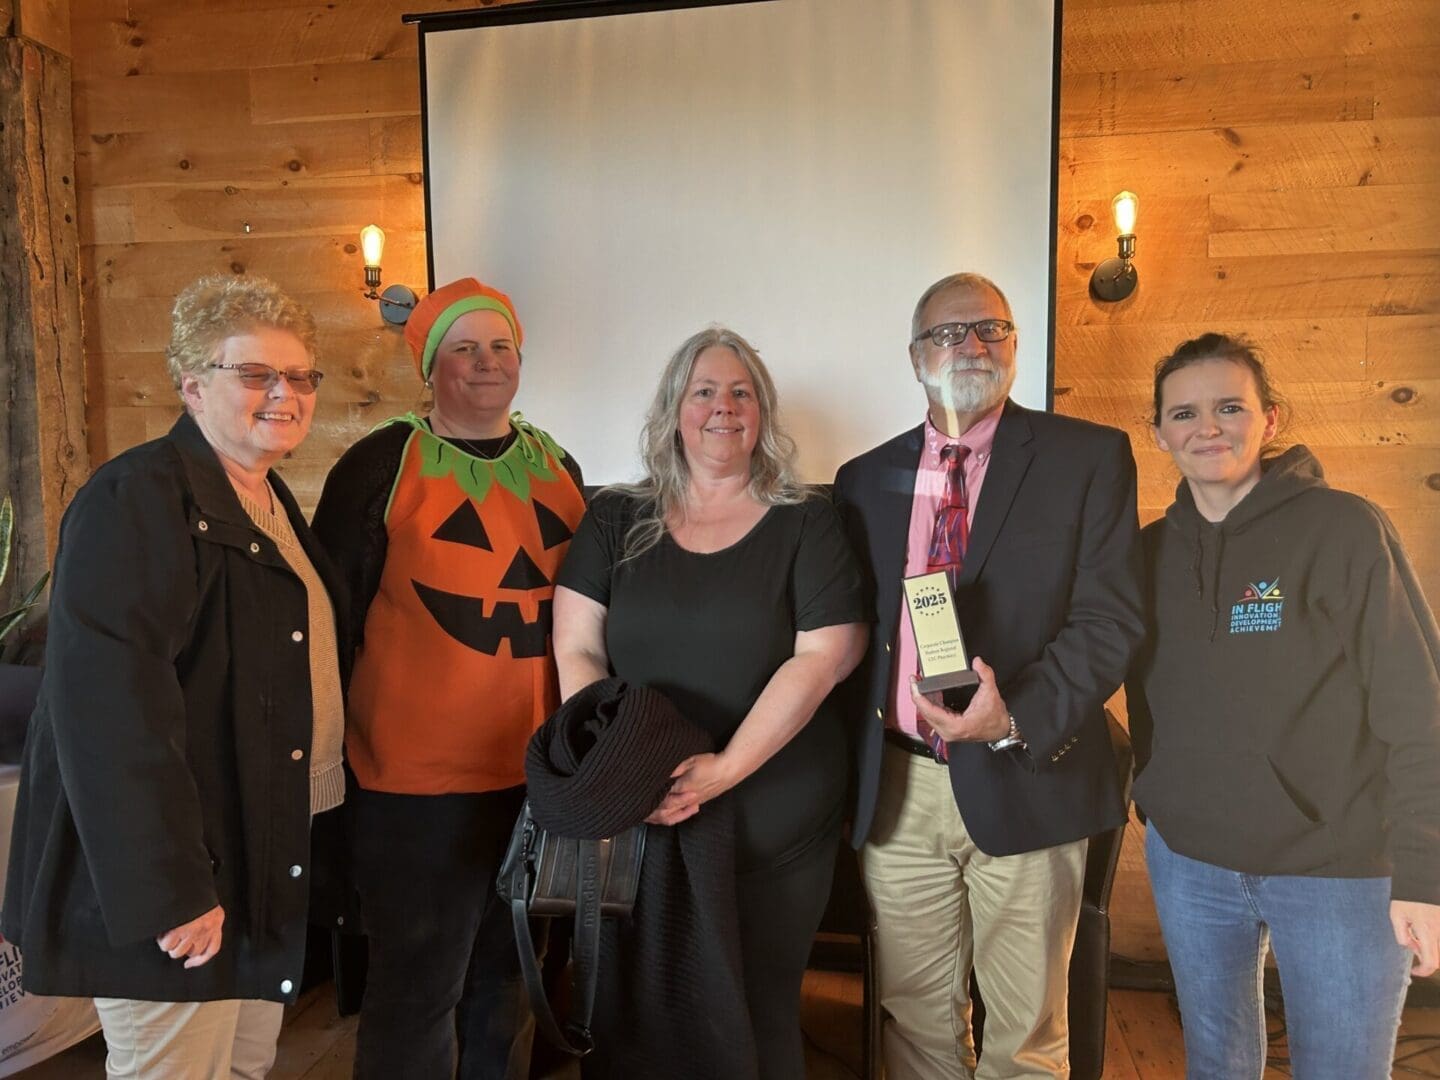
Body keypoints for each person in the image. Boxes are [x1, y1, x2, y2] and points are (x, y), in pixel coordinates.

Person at [2, 274, 344, 1079]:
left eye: (299, 376)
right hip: (189, 878)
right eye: (255, 374)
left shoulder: (268, 498)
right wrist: (171, 890)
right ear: (192, 385)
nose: (283, 394)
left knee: (240, 1067)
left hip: (257, 854)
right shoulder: (136, 499)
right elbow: (109, 716)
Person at [832, 272, 1144, 1079]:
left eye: (991, 330)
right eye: (948, 333)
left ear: (1014, 345)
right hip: (899, 792)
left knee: (1027, 1038)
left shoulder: (1087, 457)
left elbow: (1110, 621)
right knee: (915, 1026)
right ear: (915, 357)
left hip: (1028, 772)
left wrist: (1012, 720)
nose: (971, 346)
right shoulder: (862, 481)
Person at [553, 326, 868, 1079]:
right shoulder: (613, 518)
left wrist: (724, 769)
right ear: (674, 408)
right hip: (641, 811)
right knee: (633, 1014)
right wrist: (617, 772)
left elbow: (826, 655)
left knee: (757, 1012)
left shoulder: (807, 520)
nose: (723, 408)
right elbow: (576, 646)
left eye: (741, 392)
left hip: (773, 816)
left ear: (761, 412)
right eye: (704, 391)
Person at [1126, 332, 1440, 1080]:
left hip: (1336, 872)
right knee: (1217, 1066)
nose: (1208, 427)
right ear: (1159, 431)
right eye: (1185, 413)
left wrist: (1426, 877)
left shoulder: (1345, 530)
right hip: (1190, 863)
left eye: (1230, 406)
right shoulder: (1145, 554)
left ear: (1269, 418)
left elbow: (1418, 709)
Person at [311, 277, 585, 1080]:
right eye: (463, 349)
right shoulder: (380, 464)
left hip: (532, 779)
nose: (486, 363)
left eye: (500, 346)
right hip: (413, 785)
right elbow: (333, 616)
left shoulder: (555, 464)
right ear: (431, 367)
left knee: (508, 977)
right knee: (418, 987)